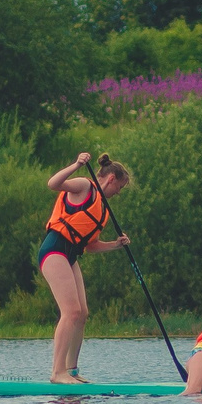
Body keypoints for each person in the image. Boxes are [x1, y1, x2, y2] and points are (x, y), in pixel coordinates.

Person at [37, 151, 132, 384]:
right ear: (111, 179)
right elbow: (53, 184)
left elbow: (89, 246)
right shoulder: (84, 186)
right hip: (54, 250)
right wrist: (77, 164)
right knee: (71, 312)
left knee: (82, 314)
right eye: (119, 188)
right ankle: (57, 372)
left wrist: (115, 245)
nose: (117, 193)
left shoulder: (101, 208)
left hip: (70, 255)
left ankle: (71, 371)